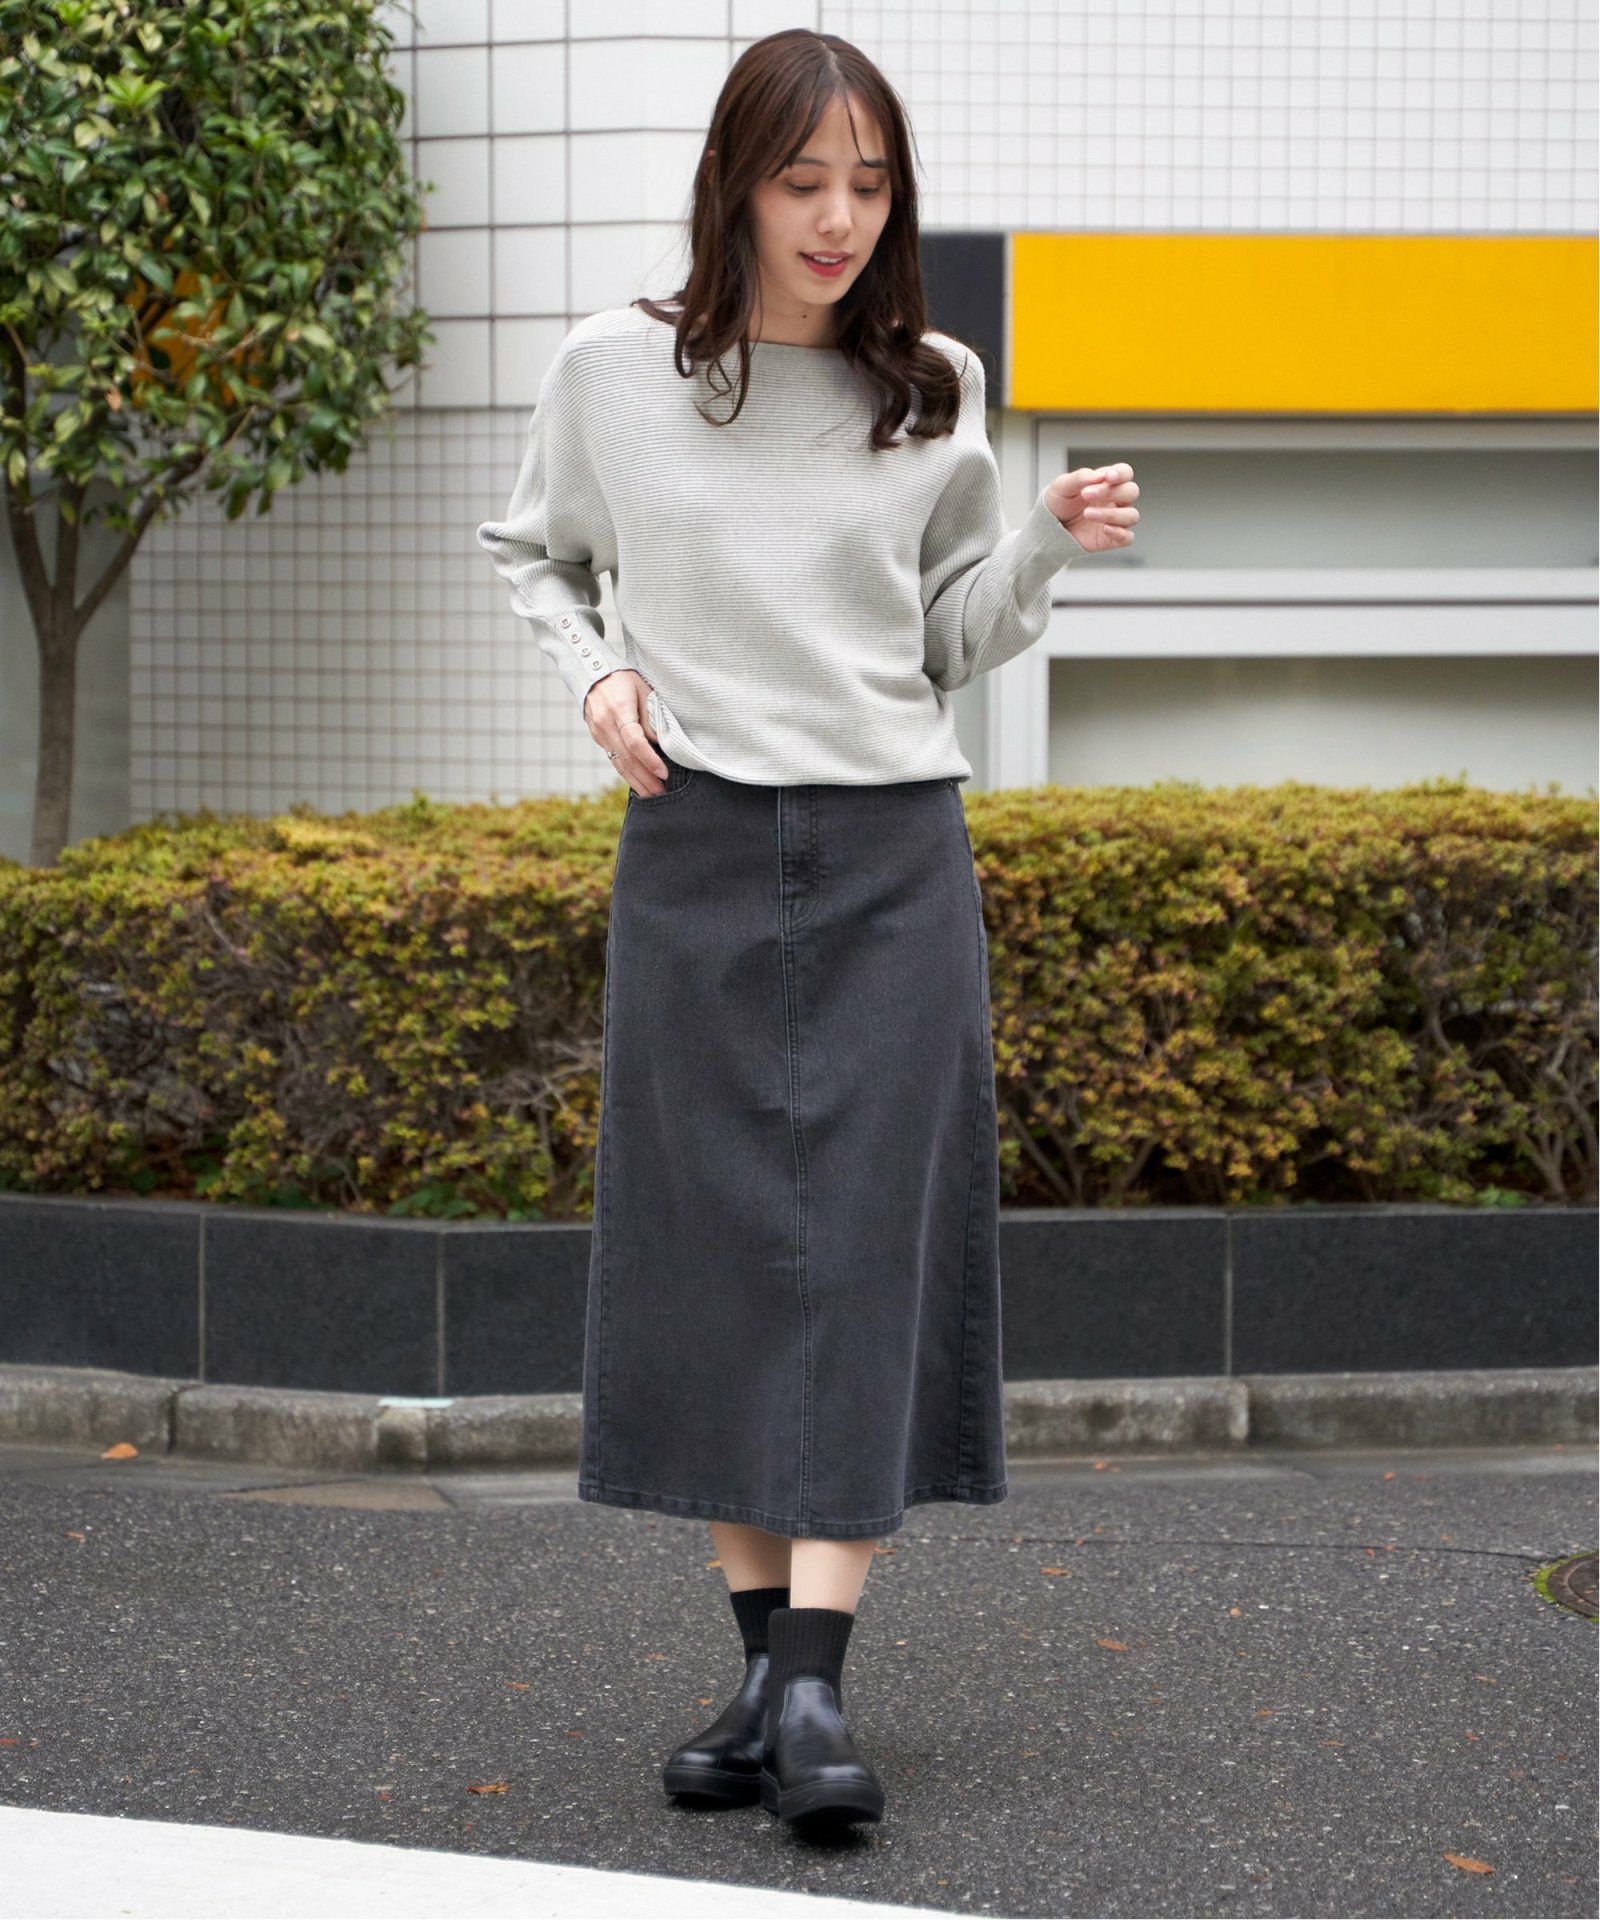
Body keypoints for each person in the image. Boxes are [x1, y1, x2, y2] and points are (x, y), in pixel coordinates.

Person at [476, 27, 1139, 1832]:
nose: (839, 217)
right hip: (694, 848)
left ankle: (817, 1686)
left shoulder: (931, 382)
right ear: (736, 186)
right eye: (803, 181)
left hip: (892, 853)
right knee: (711, 1253)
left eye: (869, 183)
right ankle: (768, 1677)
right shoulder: (615, 373)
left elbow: (949, 635)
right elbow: (535, 552)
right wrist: (598, 674)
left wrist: (1045, 540)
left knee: (856, 1252)